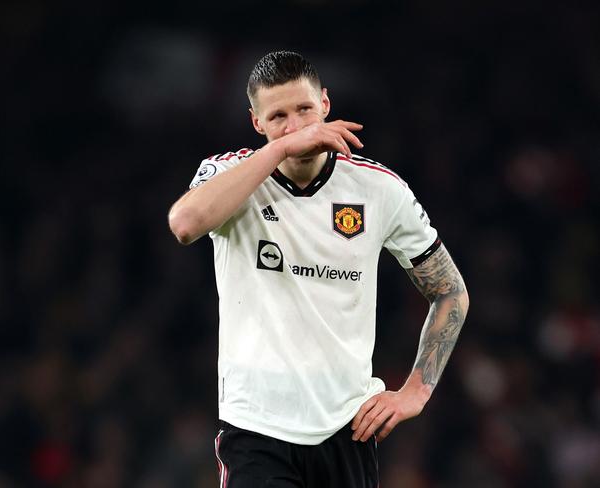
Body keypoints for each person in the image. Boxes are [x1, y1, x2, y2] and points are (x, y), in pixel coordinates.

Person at [168, 50, 469, 488]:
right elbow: (185, 224)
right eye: (278, 117)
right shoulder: (229, 173)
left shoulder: (378, 189)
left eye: (304, 109)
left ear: (325, 105)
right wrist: (282, 150)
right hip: (256, 430)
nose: (295, 127)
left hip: (346, 430)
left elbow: (450, 292)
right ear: (257, 123)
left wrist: (415, 392)